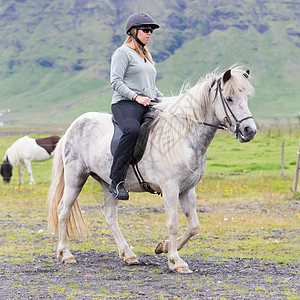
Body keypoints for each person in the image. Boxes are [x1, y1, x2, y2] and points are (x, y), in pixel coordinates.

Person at [109, 12, 164, 200]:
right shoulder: (122, 53)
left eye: (151, 31)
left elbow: (151, 87)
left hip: (147, 103)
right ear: (133, 31)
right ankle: (116, 180)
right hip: (125, 104)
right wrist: (135, 97)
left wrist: (164, 99)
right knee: (132, 130)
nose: (149, 33)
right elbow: (115, 81)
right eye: (145, 29)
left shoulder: (146, 56)